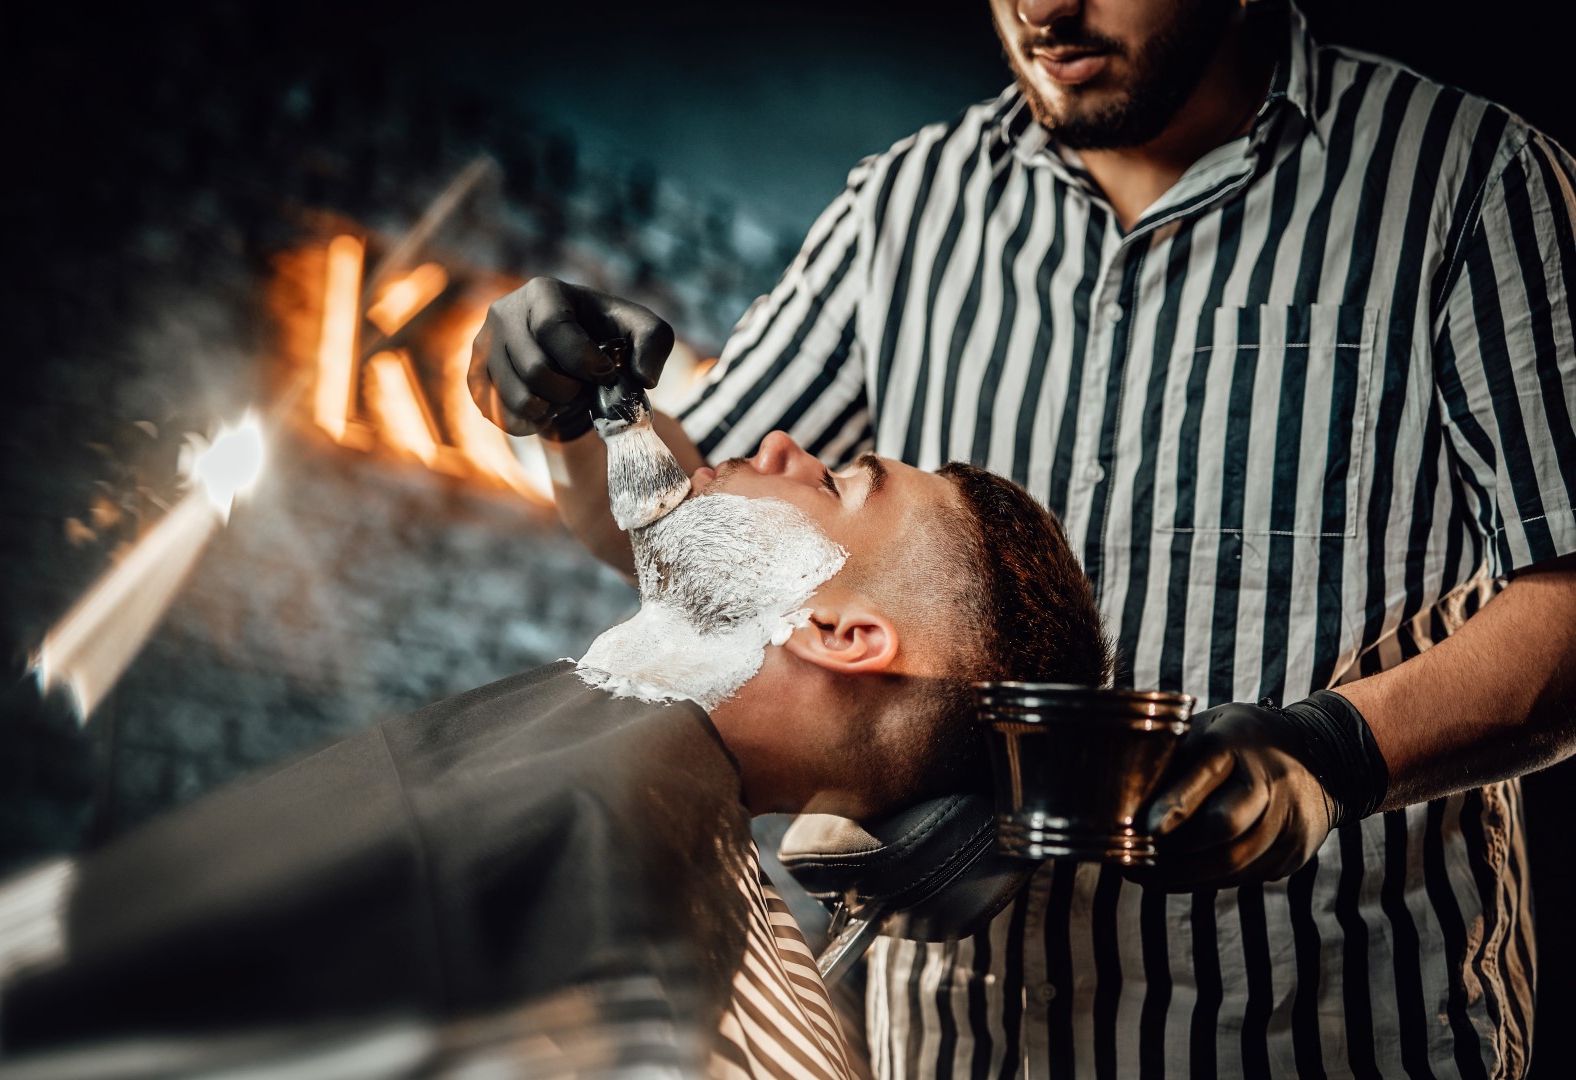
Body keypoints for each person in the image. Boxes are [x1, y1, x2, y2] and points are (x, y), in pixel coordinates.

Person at [465, 0, 1576, 1075]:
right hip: (954, 1045)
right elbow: (695, 537)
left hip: (1318, 1031)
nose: (1043, 10)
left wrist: (1333, 756)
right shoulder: (905, 206)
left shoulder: (1464, 187)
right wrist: (574, 403)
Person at [0, 433, 1112, 1079]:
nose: (781, 443)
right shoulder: (636, 832)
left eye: (839, 481)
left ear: (840, 632)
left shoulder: (608, 889)